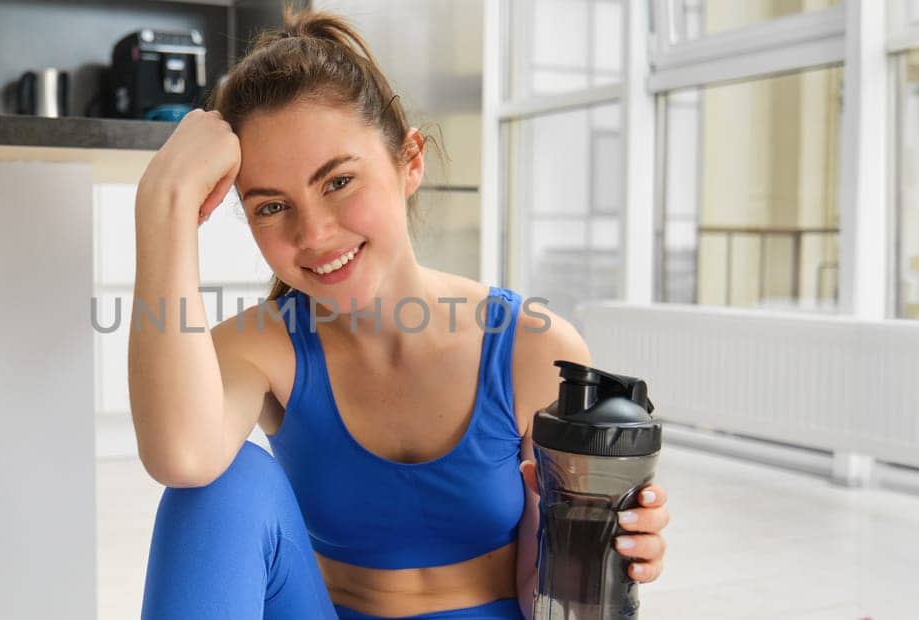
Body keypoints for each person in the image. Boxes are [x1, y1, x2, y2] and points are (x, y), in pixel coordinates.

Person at [127, 8, 669, 619]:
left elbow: (546, 597)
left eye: (337, 183)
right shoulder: (264, 346)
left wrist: (601, 551)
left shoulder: (529, 349)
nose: (315, 233)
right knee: (221, 486)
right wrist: (163, 205)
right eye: (272, 206)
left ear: (410, 162)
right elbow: (181, 457)